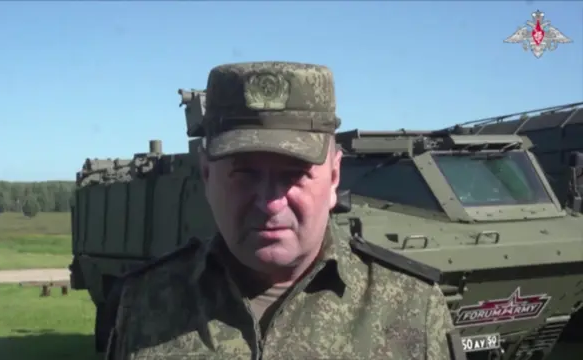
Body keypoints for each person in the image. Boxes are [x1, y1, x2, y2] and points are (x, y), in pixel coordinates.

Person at [105, 61, 466, 360]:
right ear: (206, 175)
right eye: (244, 173)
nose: (269, 202)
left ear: (334, 176)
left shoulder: (412, 309)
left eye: (294, 174)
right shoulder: (145, 303)